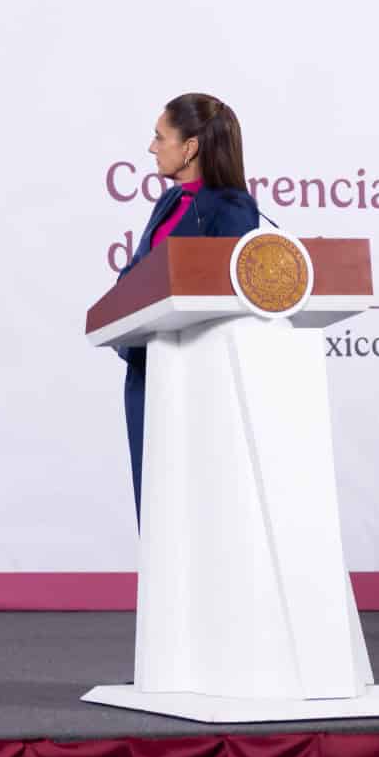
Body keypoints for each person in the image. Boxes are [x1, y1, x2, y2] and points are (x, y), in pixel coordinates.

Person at [115, 93, 263, 516]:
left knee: (194, 506)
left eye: (160, 137)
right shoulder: (168, 201)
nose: (151, 147)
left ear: (191, 147)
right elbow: (135, 275)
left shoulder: (233, 209)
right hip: (147, 370)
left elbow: (227, 299)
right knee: (153, 504)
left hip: (193, 377)